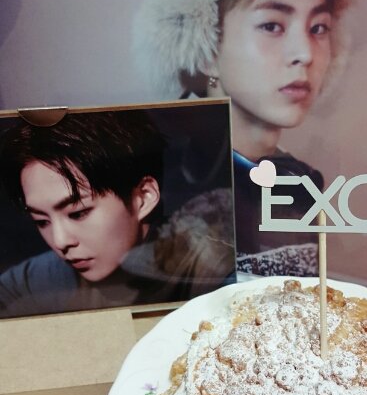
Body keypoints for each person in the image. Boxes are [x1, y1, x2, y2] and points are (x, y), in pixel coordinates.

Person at [134, 0, 367, 277]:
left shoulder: (301, 183)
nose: (305, 54)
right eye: (272, 26)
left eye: (319, 28)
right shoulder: (154, 183)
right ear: (207, 46)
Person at [0, 109, 232, 317]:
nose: (60, 242)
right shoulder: (28, 284)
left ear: (143, 197)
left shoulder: (215, 272)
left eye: (78, 213)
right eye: (41, 221)